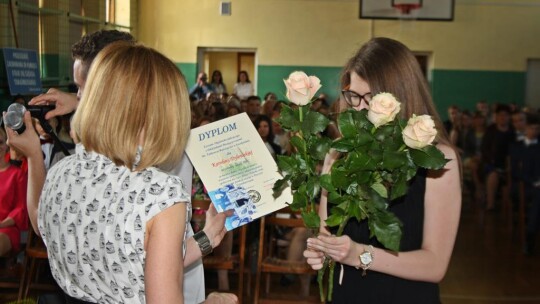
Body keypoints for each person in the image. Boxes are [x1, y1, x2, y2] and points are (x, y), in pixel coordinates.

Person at [5, 43, 235, 304]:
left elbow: (131, 262)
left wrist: (208, 238)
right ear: (163, 116)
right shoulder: (162, 193)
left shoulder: (61, 172)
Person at [303, 37, 461, 303]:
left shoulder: (439, 161)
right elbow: (326, 232)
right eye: (353, 95)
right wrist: (322, 251)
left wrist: (360, 255)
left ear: (400, 96)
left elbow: (435, 265)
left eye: (372, 98)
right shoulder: (339, 152)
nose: (360, 108)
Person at [0, 128, 28, 256]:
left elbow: (20, 208)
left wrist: (2, 224)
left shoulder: (17, 174)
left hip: (7, 228)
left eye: (0, 142)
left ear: (6, 145)